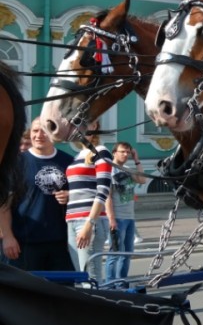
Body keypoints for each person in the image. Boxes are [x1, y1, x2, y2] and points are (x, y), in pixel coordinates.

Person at [0, 119, 75, 272]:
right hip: (24, 243)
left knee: (62, 292)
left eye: (44, 131)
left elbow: (84, 195)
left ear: (54, 135)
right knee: (26, 293)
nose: (39, 135)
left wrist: (70, 195)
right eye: (35, 131)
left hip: (61, 244)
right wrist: (8, 237)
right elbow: (3, 204)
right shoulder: (16, 163)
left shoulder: (68, 162)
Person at [65, 122, 116, 281]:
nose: (78, 129)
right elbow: (82, 187)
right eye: (75, 126)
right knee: (80, 276)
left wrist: (89, 223)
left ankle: (99, 306)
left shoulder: (101, 151)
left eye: (82, 124)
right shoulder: (78, 155)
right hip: (72, 220)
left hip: (87, 221)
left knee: (91, 278)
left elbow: (103, 190)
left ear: (94, 125)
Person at [104, 141, 147, 281]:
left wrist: (136, 159)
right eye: (122, 151)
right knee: (115, 253)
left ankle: (121, 281)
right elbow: (107, 198)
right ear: (114, 153)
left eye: (128, 152)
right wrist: (111, 219)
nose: (125, 154)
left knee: (127, 253)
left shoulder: (127, 169)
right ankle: (110, 283)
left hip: (130, 218)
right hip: (117, 218)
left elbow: (142, 180)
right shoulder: (109, 171)